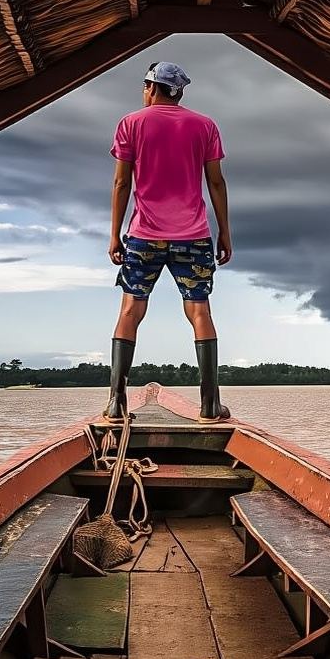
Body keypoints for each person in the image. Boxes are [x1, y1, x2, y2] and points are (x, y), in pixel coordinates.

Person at [103, 61, 232, 424]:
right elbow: (216, 183)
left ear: (150, 87)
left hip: (144, 235)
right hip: (193, 236)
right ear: (180, 91)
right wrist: (224, 231)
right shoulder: (205, 125)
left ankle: (116, 403)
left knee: (130, 312)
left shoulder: (131, 123)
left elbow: (121, 184)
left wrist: (114, 234)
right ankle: (209, 406)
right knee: (199, 312)